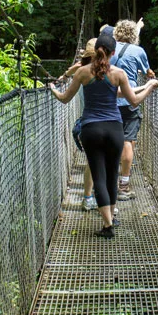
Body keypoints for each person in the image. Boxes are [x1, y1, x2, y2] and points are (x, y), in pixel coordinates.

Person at [50, 34, 158, 239]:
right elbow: (133, 100)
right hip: (115, 130)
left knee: (99, 176)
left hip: (91, 130)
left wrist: (52, 89)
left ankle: (107, 225)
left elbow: (65, 99)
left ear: (96, 51)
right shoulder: (119, 74)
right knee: (113, 175)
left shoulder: (82, 73)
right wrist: (149, 86)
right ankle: (111, 218)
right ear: (113, 53)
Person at [110, 19, 153, 200]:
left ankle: (107, 183)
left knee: (110, 141)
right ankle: (124, 185)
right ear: (134, 35)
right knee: (128, 141)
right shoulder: (138, 51)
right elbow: (146, 71)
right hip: (130, 99)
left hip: (109, 99)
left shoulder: (108, 49)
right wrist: (152, 76)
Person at [64, 38, 98, 211]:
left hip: (86, 121)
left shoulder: (80, 69)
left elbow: (65, 95)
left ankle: (87, 197)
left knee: (92, 161)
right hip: (107, 121)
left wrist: (60, 80)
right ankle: (104, 200)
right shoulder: (110, 70)